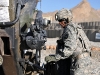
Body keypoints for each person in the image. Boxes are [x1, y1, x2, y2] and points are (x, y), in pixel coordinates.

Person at [45, 8, 100, 75]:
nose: (59, 23)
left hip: (80, 64)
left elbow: (70, 48)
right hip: (86, 61)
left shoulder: (69, 29)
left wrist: (55, 57)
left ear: (66, 20)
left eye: (61, 20)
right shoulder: (75, 27)